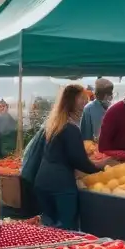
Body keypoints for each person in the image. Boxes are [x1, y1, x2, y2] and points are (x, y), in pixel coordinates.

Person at [34, 83, 107, 229]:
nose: (85, 101)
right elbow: (79, 161)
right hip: (60, 184)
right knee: (66, 230)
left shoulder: (55, 124)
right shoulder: (70, 128)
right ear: (71, 100)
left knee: (49, 227)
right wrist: (103, 167)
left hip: (42, 181)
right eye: (81, 98)